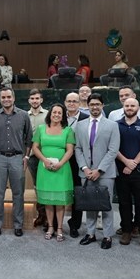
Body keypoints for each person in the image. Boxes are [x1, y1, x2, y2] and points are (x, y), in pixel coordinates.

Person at [74, 93, 120, 250]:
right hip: (86, 172)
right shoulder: (80, 125)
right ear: (87, 106)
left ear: (102, 106)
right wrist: (85, 168)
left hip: (105, 172)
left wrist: (99, 170)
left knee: (105, 205)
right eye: (92, 104)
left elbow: (113, 151)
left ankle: (107, 236)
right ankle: (90, 233)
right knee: (90, 204)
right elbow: (78, 148)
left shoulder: (112, 125)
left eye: (97, 104)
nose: (94, 107)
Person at [107, 85, 140, 237]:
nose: (129, 107)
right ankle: (126, 230)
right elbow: (113, 146)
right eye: (127, 105)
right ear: (123, 106)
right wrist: (126, 162)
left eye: (132, 105)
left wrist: (133, 163)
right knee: (124, 203)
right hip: (121, 169)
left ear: (138, 107)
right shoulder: (115, 125)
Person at [0, 87, 32, 237]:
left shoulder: (24, 116)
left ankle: (18, 225)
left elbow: (29, 139)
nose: (6, 100)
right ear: (0, 99)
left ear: (13, 98)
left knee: (18, 193)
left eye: (8, 97)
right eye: (3, 97)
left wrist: (26, 157)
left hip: (17, 158)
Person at [32, 103, 75, 242]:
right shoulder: (41, 129)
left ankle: (60, 228)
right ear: (50, 114)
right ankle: (50, 227)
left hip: (61, 169)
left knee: (60, 201)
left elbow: (70, 150)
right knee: (48, 201)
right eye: (54, 112)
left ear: (63, 116)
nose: (56, 115)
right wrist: (44, 160)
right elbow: (35, 147)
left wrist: (60, 163)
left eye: (59, 113)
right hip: (45, 169)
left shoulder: (68, 130)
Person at [64, 92, 89, 237]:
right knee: (61, 190)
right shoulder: (59, 117)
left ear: (80, 103)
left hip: (79, 161)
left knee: (77, 193)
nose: (72, 103)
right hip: (62, 160)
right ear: (65, 102)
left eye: (75, 101)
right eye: (69, 101)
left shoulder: (86, 118)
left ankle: (75, 224)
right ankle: (55, 223)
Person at [26, 89, 50, 229]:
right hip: (32, 157)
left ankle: (48, 217)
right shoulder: (24, 115)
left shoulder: (48, 114)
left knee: (47, 186)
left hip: (46, 156)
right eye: (32, 98)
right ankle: (41, 214)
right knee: (37, 186)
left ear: (41, 100)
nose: (35, 101)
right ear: (29, 101)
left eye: (37, 98)